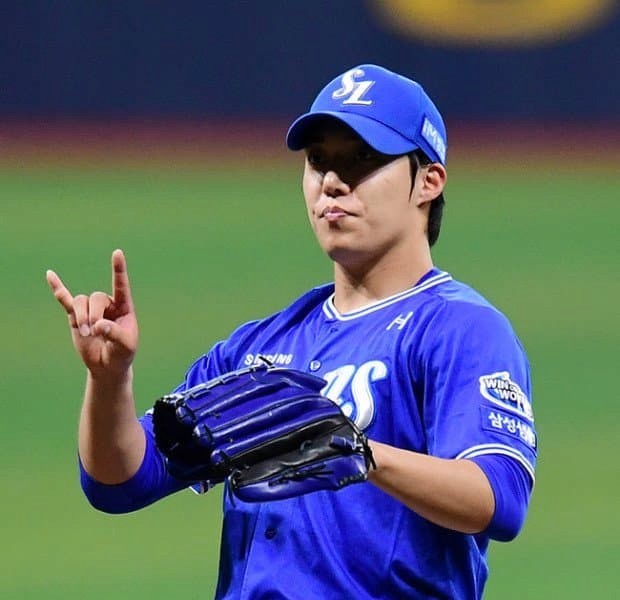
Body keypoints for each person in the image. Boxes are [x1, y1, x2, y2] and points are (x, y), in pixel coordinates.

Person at [47, 64, 537, 599]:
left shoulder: (460, 329)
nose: (333, 181)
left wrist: (358, 453)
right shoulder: (260, 349)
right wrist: (110, 380)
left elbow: (499, 498)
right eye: (318, 160)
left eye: (363, 159)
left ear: (429, 181)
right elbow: (120, 483)